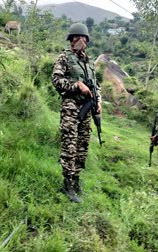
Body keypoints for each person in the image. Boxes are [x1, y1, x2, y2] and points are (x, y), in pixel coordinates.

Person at [52, 23, 102, 203]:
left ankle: (76, 179)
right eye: (77, 37)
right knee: (70, 145)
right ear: (71, 39)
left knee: (82, 146)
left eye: (83, 38)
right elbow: (56, 80)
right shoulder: (64, 57)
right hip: (71, 108)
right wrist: (76, 85)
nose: (81, 40)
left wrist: (99, 102)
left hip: (87, 108)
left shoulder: (89, 62)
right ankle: (68, 184)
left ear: (87, 40)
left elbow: (96, 85)